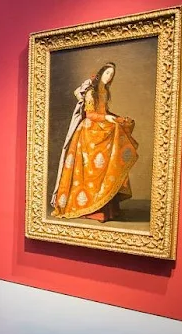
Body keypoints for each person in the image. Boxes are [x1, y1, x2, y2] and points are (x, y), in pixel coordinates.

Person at [51, 62, 139, 222]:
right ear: (101, 73)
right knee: (91, 170)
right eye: (107, 73)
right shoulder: (92, 92)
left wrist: (117, 118)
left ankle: (107, 207)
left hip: (100, 126)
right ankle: (92, 207)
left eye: (111, 75)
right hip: (89, 132)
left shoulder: (105, 92)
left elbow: (103, 112)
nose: (109, 77)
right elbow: (90, 114)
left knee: (113, 147)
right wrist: (106, 118)